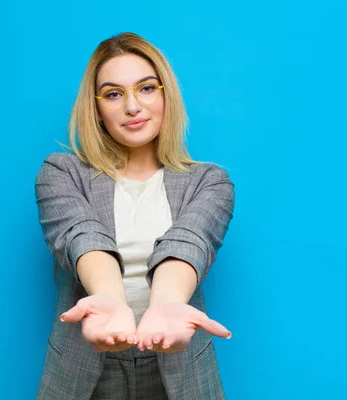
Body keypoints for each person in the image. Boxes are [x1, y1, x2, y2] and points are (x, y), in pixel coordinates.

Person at [34, 32, 235, 400]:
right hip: (84, 363)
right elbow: (83, 237)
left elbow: (189, 243)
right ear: (96, 108)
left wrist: (166, 305)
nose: (132, 106)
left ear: (165, 95)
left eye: (146, 88)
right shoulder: (61, 173)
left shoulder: (210, 182)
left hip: (177, 363)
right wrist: (110, 298)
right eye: (113, 93)